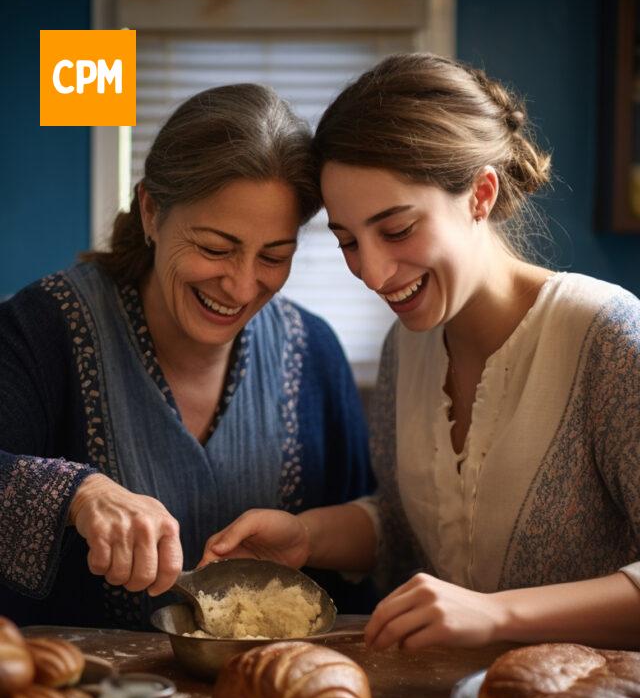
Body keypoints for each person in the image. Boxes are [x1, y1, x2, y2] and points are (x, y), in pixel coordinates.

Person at [201, 53, 640, 652]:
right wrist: (307, 536)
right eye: (349, 241)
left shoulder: (610, 338)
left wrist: (499, 616)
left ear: (480, 195)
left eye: (398, 229)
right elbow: (417, 528)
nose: (374, 273)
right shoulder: (404, 350)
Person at [0, 83, 375, 629]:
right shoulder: (41, 329)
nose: (242, 285)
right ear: (151, 212)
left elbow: (370, 546)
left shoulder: (313, 352)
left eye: (274, 255)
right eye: (215, 248)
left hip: (271, 697)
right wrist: (78, 492)